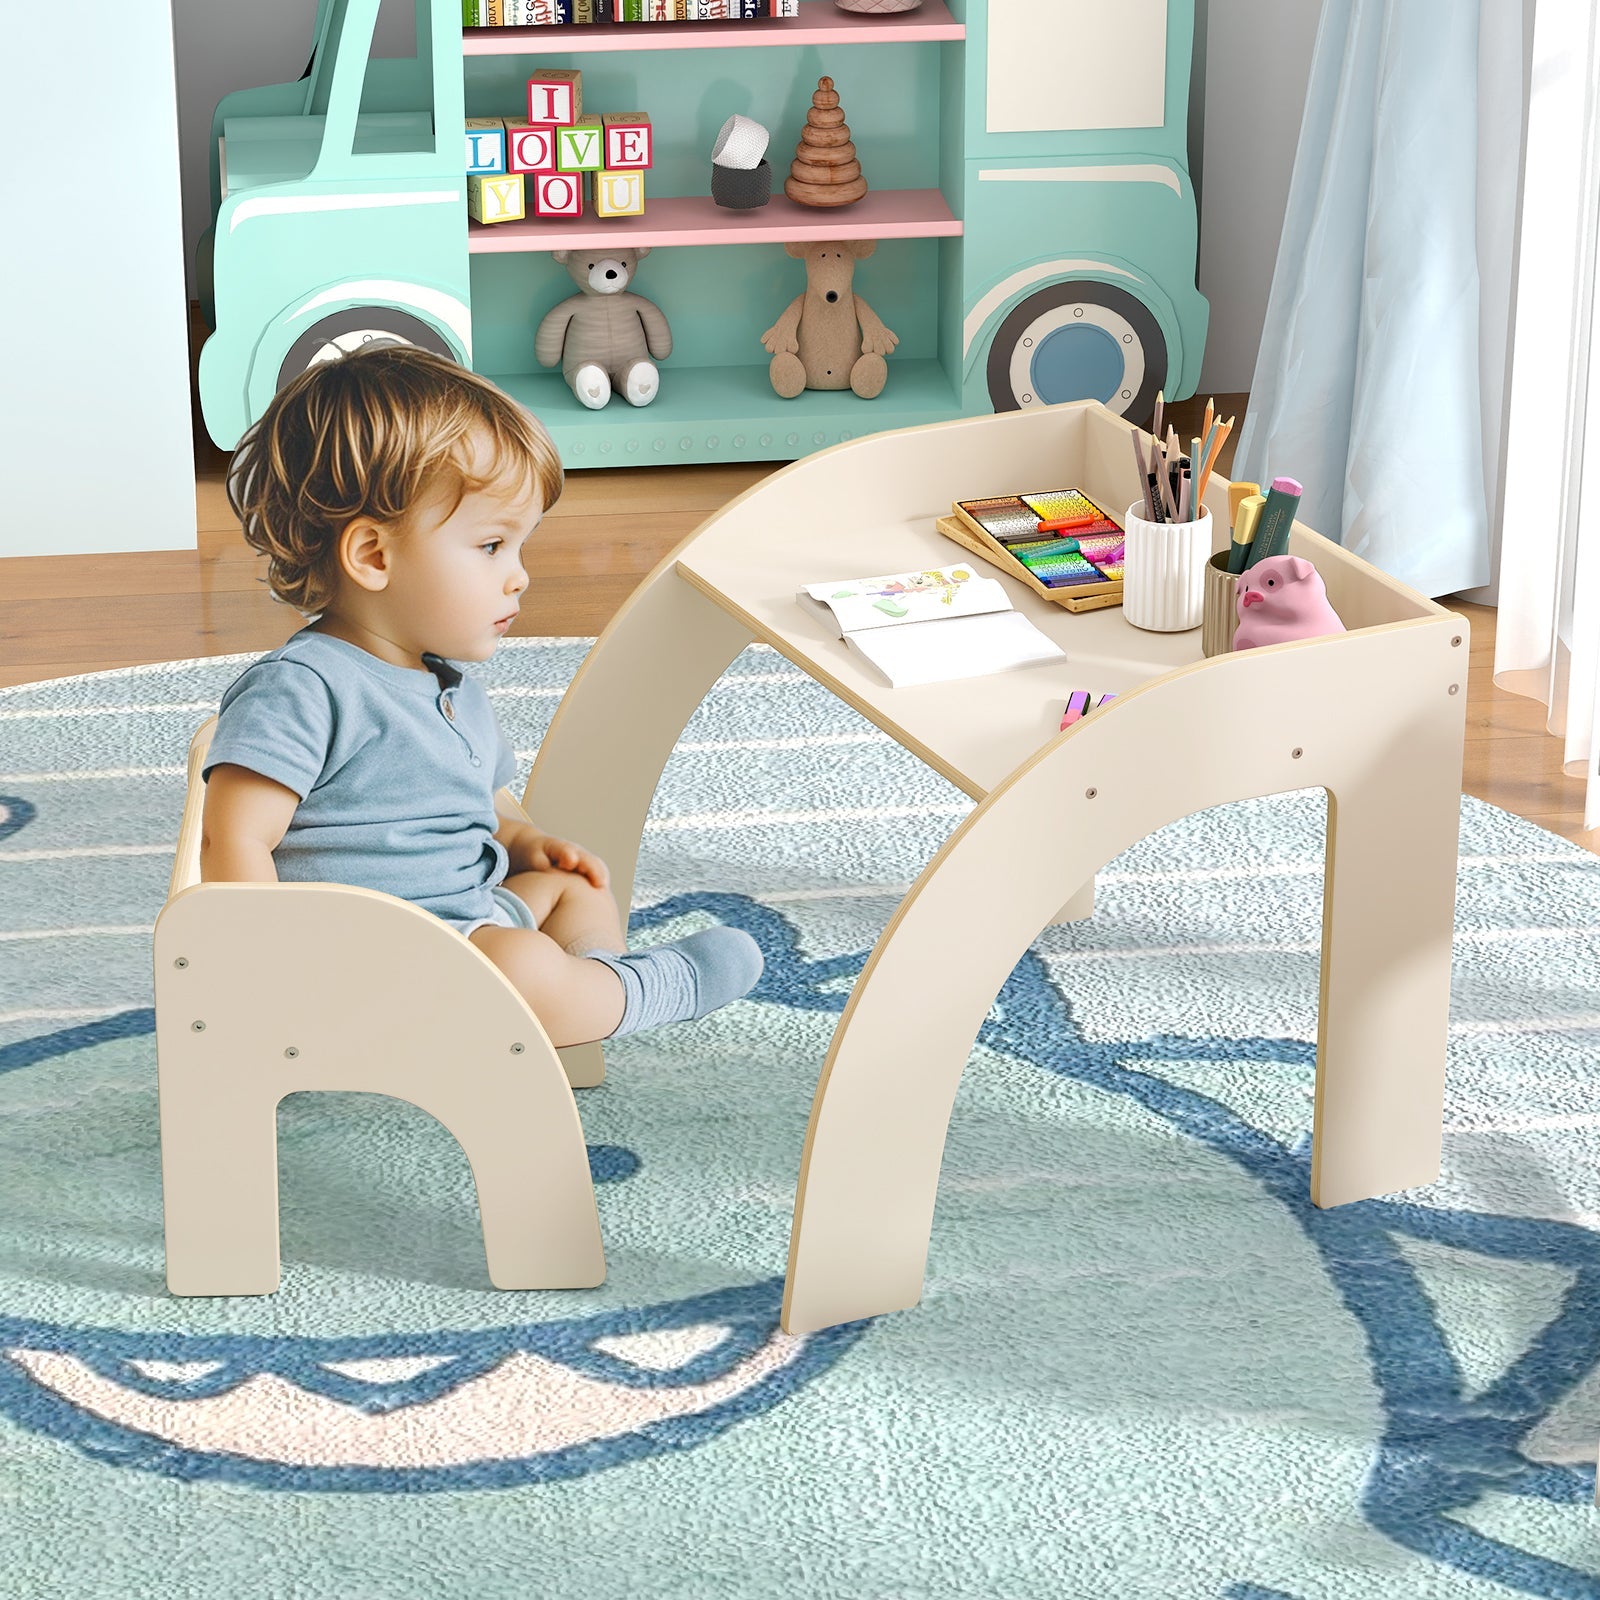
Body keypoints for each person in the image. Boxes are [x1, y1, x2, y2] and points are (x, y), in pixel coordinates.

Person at [199, 344, 761, 1047]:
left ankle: (592, 990)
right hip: (374, 964)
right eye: (493, 546)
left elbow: (480, 810)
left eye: (520, 549)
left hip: (465, 919)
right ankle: (640, 993)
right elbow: (234, 838)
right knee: (522, 964)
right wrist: (274, 970)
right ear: (374, 556)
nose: (519, 576)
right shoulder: (304, 687)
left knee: (577, 888)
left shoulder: (448, 684)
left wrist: (530, 844)